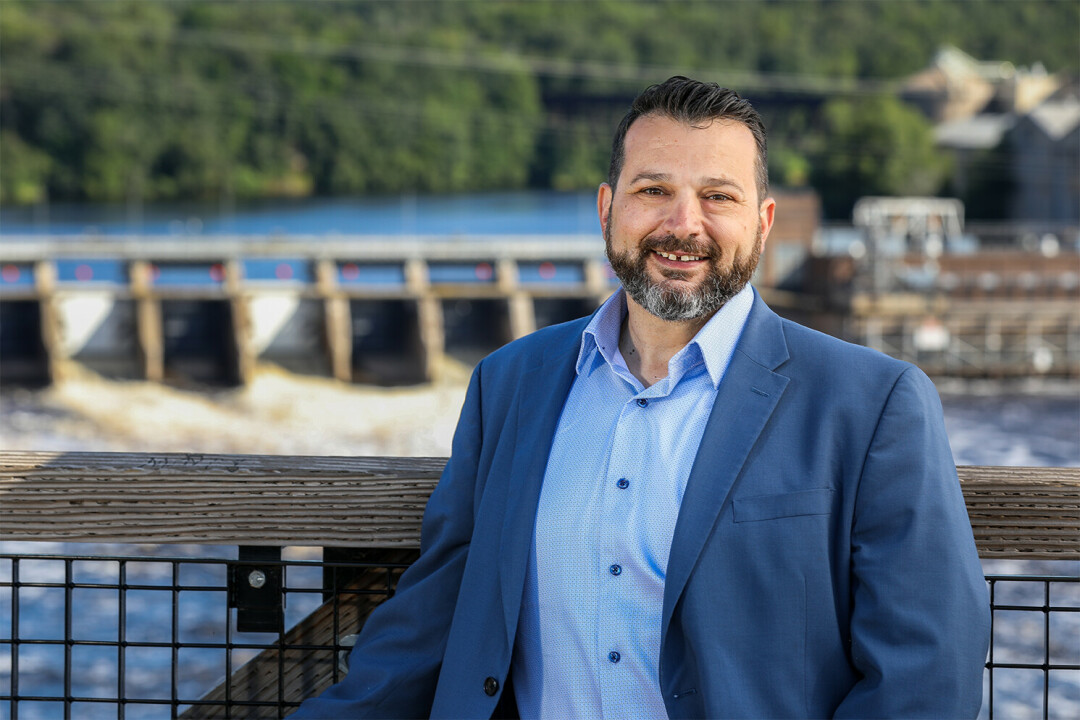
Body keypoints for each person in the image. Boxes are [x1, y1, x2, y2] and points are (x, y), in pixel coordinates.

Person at [291, 76, 990, 719]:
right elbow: (433, 620)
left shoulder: (872, 405)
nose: (683, 224)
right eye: (653, 190)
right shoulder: (509, 385)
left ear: (764, 223)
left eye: (718, 197)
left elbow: (925, 676)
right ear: (607, 209)